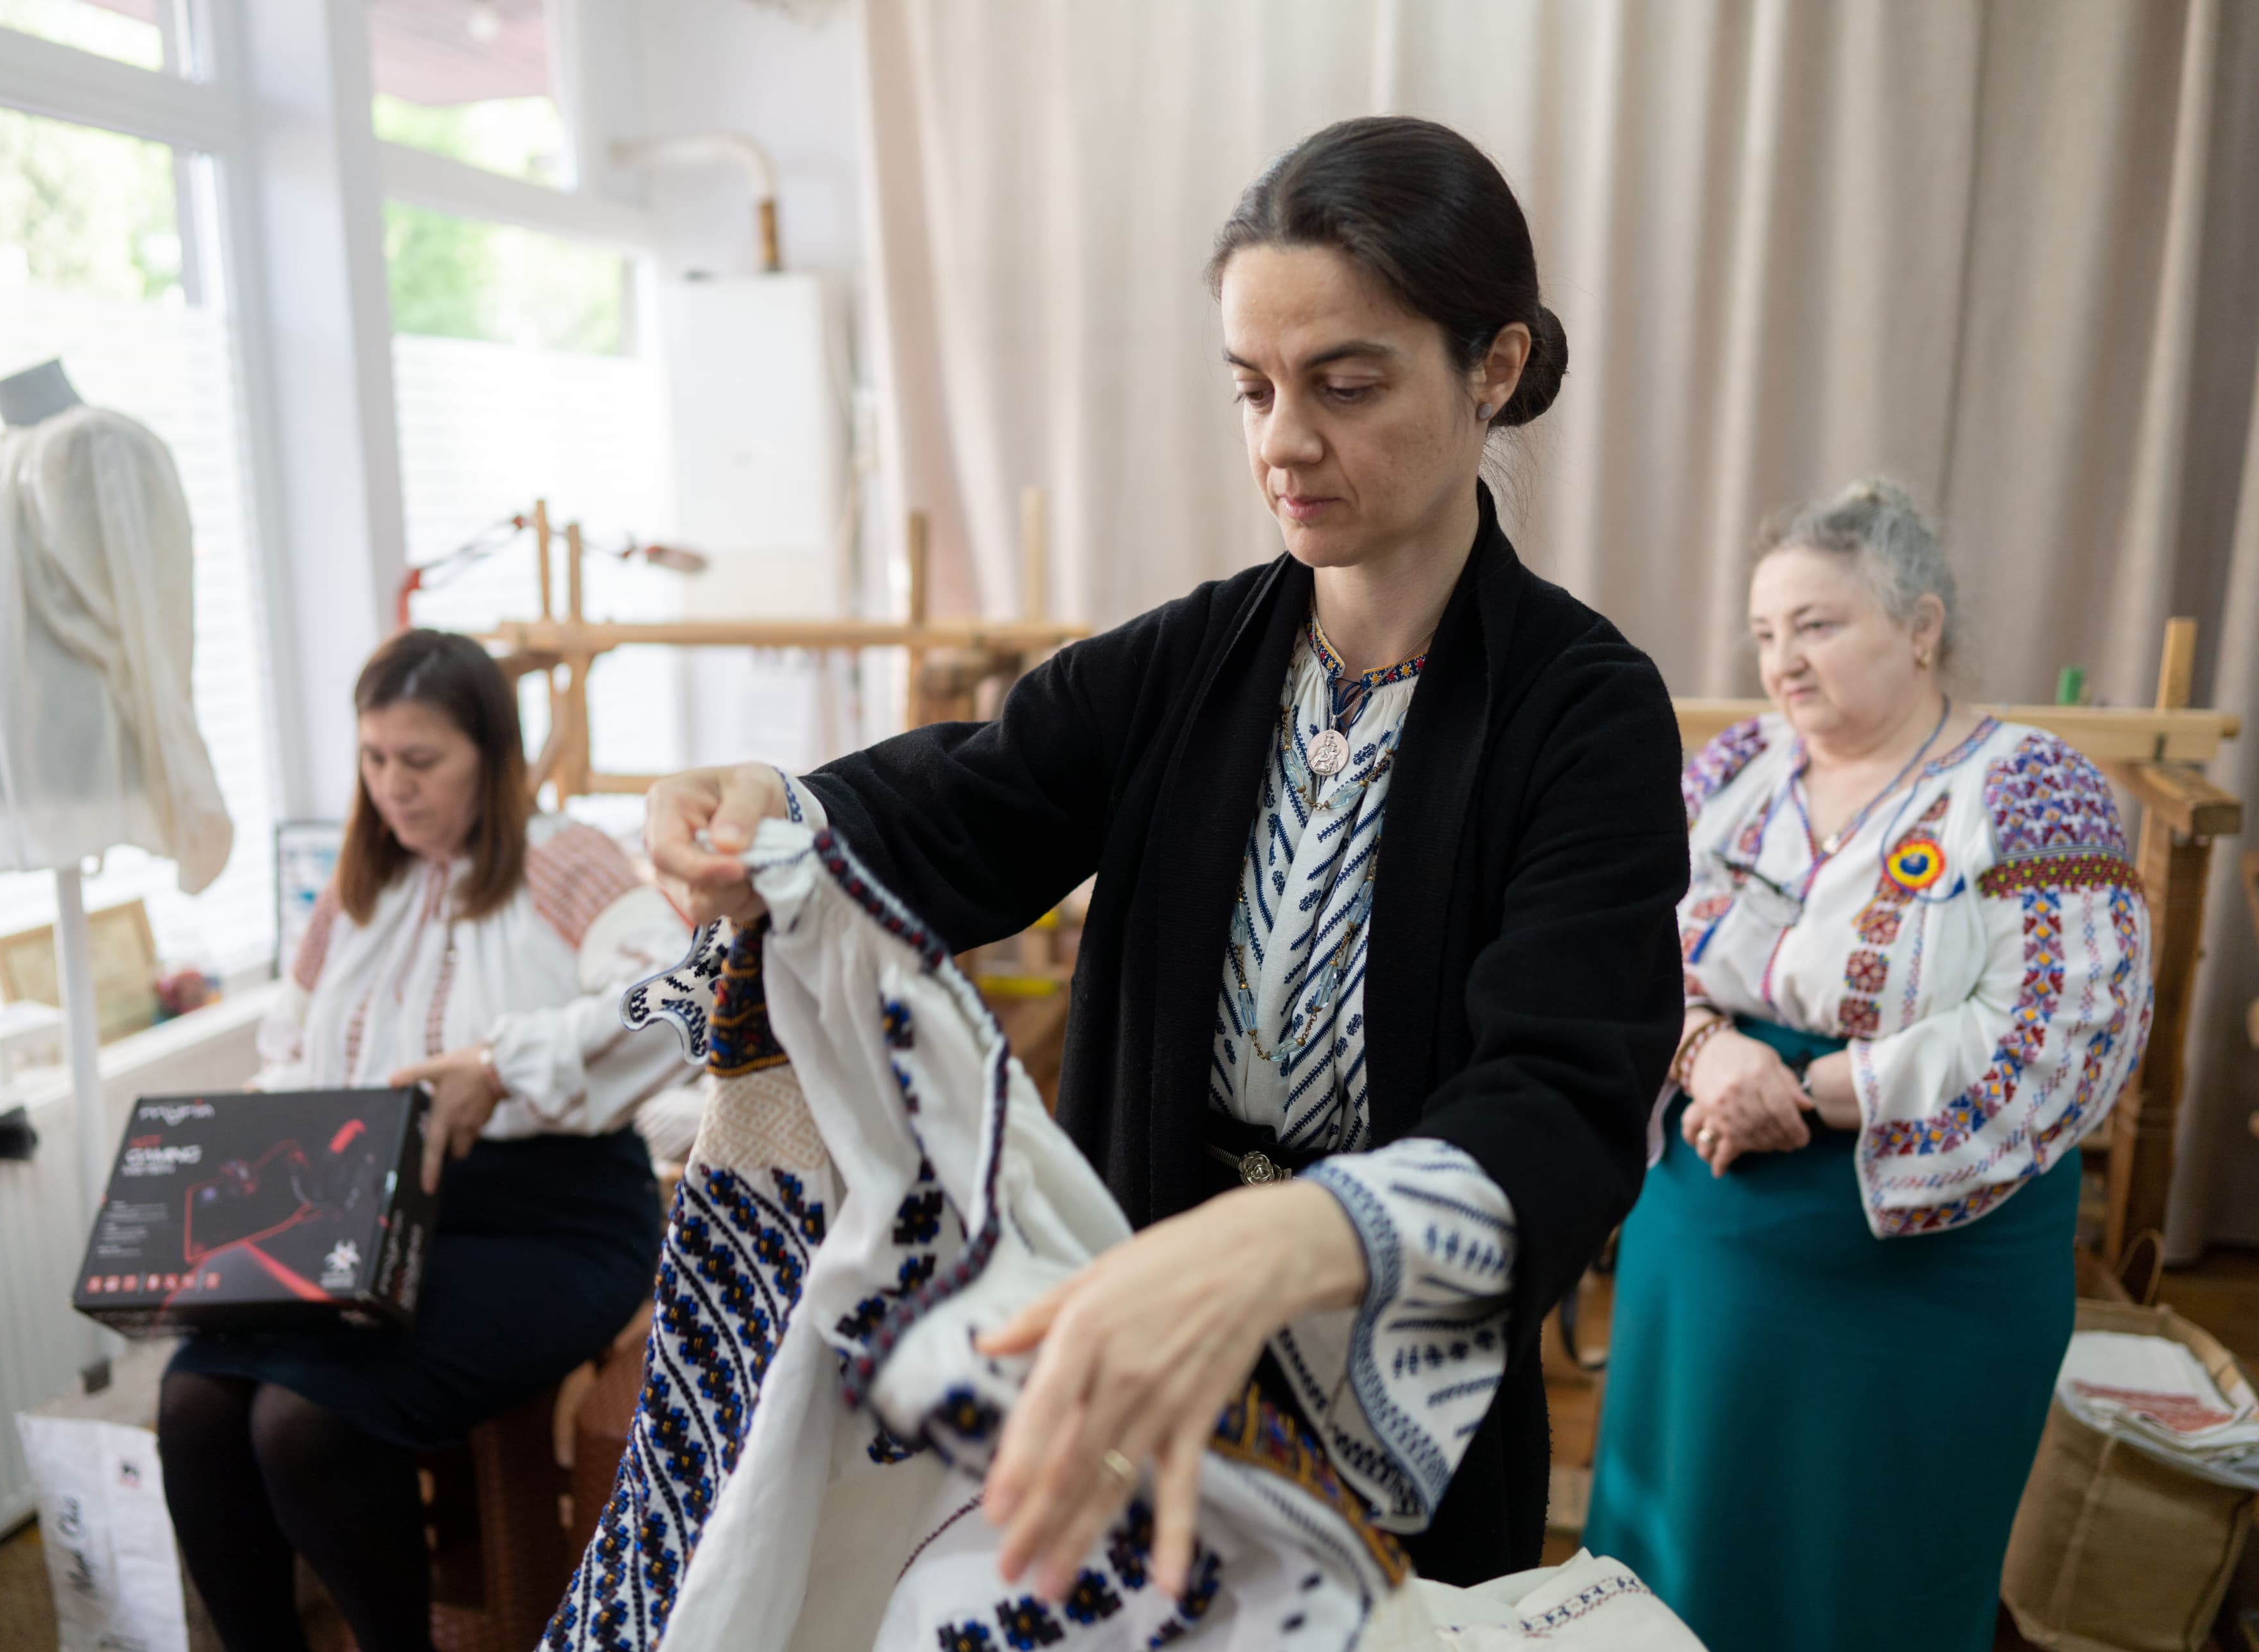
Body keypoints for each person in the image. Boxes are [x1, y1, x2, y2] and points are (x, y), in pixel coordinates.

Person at [646, 116, 1689, 1602]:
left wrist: (1297, 1234)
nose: (1281, 441)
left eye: (1345, 382)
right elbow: (968, 804)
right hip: (1127, 1371)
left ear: (1496, 367)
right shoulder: (1187, 664)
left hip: (1402, 1402)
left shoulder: (1581, 711)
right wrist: (769, 812)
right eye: (1254, 389)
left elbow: (1567, 1093)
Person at [1580, 479, 2156, 1652]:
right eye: (1765, 633)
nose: (1783, 661)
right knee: (1683, 1534)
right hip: (1710, 1207)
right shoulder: (1729, 769)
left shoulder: (2031, 789)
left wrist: (1807, 1089)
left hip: (1929, 1263)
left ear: (1922, 627)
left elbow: (2059, 1031)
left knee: (1877, 1563)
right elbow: (1626, 940)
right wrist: (1707, 1047)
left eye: (1818, 625)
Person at [157, 629, 691, 1652]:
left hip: (552, 1221)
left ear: (490, 754)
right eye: (373, 760)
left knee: (297, 1421)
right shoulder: (356, 894)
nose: (393, 789)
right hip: (368, 1219)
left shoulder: (561, 860)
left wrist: (500, 1066)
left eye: (421, 761)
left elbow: (677, 1003)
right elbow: (292, 1053)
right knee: (193, 1403)